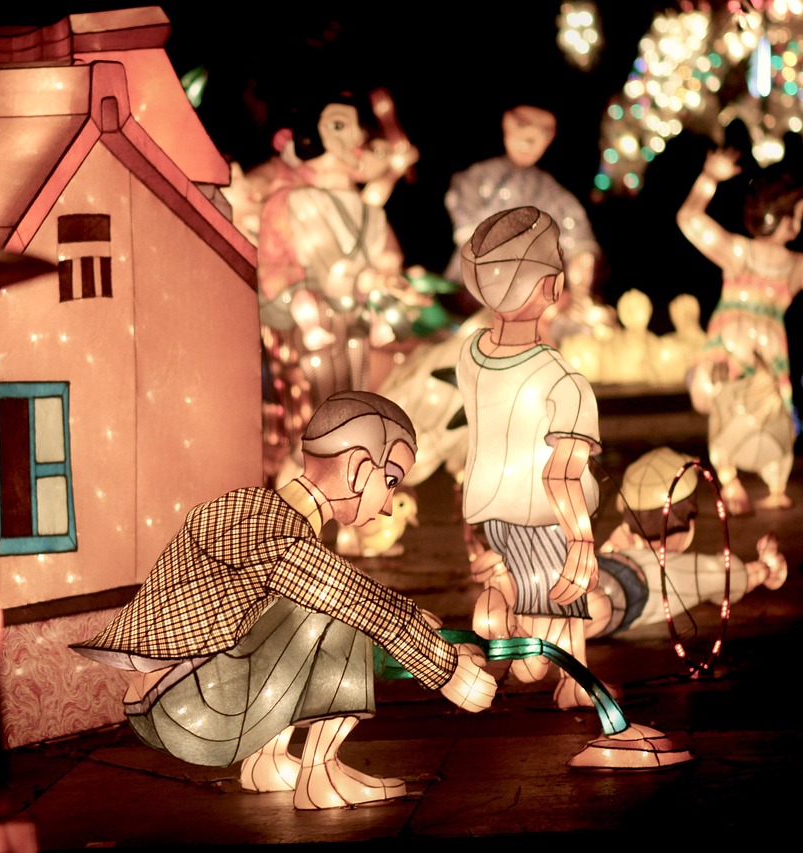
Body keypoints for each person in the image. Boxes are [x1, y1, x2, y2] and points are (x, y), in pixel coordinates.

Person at [72, 391, 496, 810]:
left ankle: (268, 761)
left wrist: (414, 624)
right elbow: (350, 596)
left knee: (315, 602)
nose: (387, 505)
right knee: (337, 608)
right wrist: (446, 668)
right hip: (190, 707)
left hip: (177, 696)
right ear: (356, 468)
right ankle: (322, 774)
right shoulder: (274, 533)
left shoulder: (256, 508)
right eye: (390, 481)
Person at [455, 206, 601, 711]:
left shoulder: (470, 352)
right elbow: (562, 472)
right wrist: (581, 538)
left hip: (489, 516)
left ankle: (507, 610)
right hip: (544, 518)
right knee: (562, 612)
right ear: (550, 287)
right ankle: (559, 672)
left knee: (549, 621)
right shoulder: (564, 378)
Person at [256, 91, 427, 487]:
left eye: (356, 128)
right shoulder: (297, 200)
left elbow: (386, 255)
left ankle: (344, 499)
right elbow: (322, 267)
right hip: (308, 324)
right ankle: (293, 498)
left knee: (351, 415)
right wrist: (371, 279)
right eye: (338, 126)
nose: (354, 138)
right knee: (314, 424)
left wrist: (393, 280)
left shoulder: (368, 211)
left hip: (356, 321)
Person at [676, 147, 802, 512]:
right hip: (729, 350)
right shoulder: (738, 253)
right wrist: (708, 179)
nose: (798, 222)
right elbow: (689, 218)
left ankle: (775, 482)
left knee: (773, 412)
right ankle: (729, 480)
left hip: (770, 355)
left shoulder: (795, 265)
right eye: (796, 213)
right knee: (725, 406)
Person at [444, 105, 611, 344]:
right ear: (505, 122)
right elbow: (471, 239)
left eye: (543, 132)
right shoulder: (477, 179)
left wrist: (579, 295)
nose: (530, 140)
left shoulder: (554, 195)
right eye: (522, 125)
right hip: (473, 296)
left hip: (536, 302)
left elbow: (579, 245)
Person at [591, 447, 787, 638]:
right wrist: (768, 567)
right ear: (687, 519)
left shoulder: (616, 545)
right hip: (609, 598)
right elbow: (734, 575)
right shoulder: (682, 572)